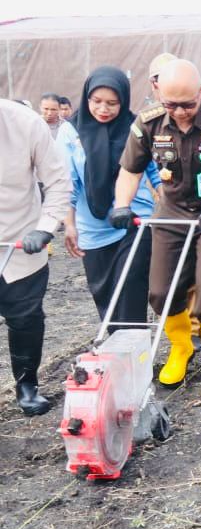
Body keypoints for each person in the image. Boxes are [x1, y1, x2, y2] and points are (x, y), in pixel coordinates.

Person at [111, 60, 201, 399]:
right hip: (172, 213)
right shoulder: (147, 122)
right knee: (161, 292)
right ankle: (181, 349)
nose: (179, 112)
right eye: (171, 104)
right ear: (158, 92)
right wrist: (122, 204)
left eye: (187, 104)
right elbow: (130, 170)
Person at [63, 67, 159, 324]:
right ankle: (121, 355)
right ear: (86, 99)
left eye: (112, 103)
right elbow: (66, 183)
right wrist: (69, 224)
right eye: (96, 102)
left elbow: (155, 172)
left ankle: (135, 357)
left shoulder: (135, 127)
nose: (103, 109)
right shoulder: (70, 132)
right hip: (92, 230)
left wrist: (175, 205)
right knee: (105, 299)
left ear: (123, 101)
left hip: (134, 222)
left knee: (131, 292)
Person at [0, 99, 71, 414]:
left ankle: (27, 385)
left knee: (25, 318)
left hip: (21, 243)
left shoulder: (26, 123)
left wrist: (45, 227)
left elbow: (57, 181)